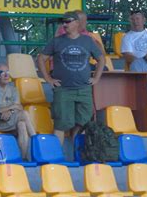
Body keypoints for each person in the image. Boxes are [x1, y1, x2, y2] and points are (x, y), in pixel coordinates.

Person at [38, 11, 105, 144]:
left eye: (67, 21)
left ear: (77, 23)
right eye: (63, 22)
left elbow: (101, 59)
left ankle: (79, 154)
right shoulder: (56, 41)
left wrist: (96, 78)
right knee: (60, 124)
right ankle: (56, 160)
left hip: (84, 89)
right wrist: (48, 79)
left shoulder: (88, 40)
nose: (64, 24)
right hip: (63, 89)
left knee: (85, 123)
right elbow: (41, 59)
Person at [0, 63, 36, 159]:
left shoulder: (13, 89)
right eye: (2, 72)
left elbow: (19, 107)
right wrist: (12, 107)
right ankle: (36, 143)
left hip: (12, 120)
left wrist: (10, 111)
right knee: (24, 114)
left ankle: (23, 158)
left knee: (22, 124)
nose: (6, 75)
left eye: (8, 72)